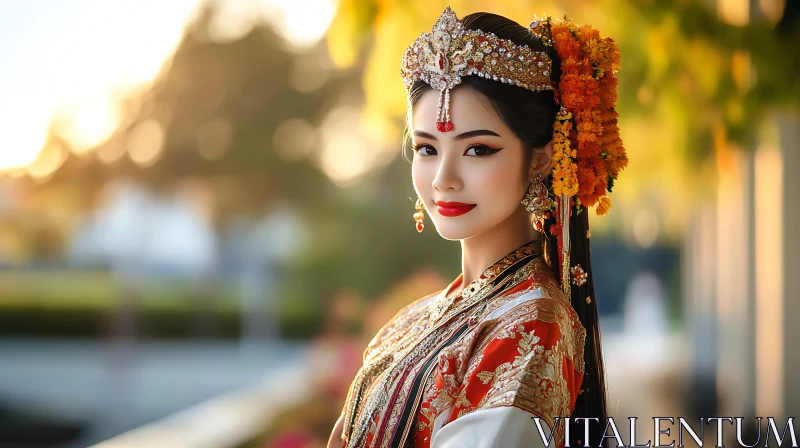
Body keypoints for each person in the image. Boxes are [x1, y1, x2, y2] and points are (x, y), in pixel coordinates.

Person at [328, 7, 627, 448]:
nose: (443, 178)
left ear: (541, 159)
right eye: (427, 148)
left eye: (478, 150)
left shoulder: (533, 324)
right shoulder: (411, 319)